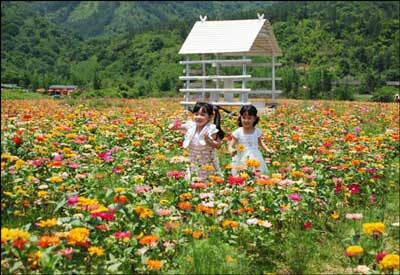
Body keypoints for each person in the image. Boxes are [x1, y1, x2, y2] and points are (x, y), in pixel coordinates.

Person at [169, 102, 225, 181]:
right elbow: (176, 127)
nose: (198, 117)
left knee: (208, 183)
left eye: (202, 115)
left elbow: (218, 145)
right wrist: (173, 125)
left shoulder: (211, 129)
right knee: (193, 181)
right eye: (196, 114)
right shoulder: (191, 126)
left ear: (210, 117)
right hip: (193, 162)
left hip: (207, 163)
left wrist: (208, 141)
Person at [228, 105, 269, 176]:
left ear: (255, 118)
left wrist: (267, 149)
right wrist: (231, 150)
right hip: (241, 156)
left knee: (256, 174)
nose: (246, 120)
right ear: (240, 117)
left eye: (249, 118)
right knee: (241, 174)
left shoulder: (257, 131)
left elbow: (260, 142)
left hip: (255, 157)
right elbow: (230, 145)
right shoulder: (238, 132)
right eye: (244, 118)